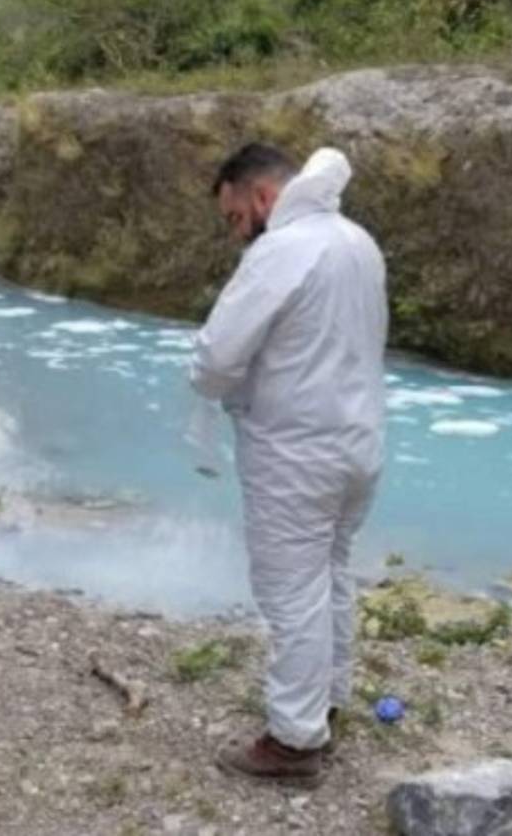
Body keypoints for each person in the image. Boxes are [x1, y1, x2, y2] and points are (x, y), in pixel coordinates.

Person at [190, 144, 388, 784]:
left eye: (232, 218)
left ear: (261, 198)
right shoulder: (357, 241)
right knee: (330, 574)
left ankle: (294, 744)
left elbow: (219, 355)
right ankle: (326, 700)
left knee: (292, 591)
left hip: (296, 452)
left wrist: (206, 393)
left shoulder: (282, 249)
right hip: (359, 442)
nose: (235, 233)